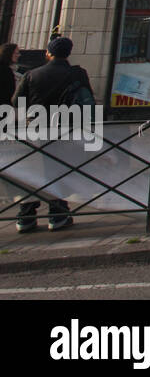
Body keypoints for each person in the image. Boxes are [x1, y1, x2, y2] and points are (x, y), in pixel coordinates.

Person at [12, 37, 92, 232]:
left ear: (48, 53)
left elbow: (16, 101)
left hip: (36, 129)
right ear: (68, 53)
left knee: (33, 171)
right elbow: (87, 99)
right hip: (65, 128)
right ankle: (57, 213)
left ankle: (26, 214)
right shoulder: (77, 74)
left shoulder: (32, 75)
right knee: (58, 170)